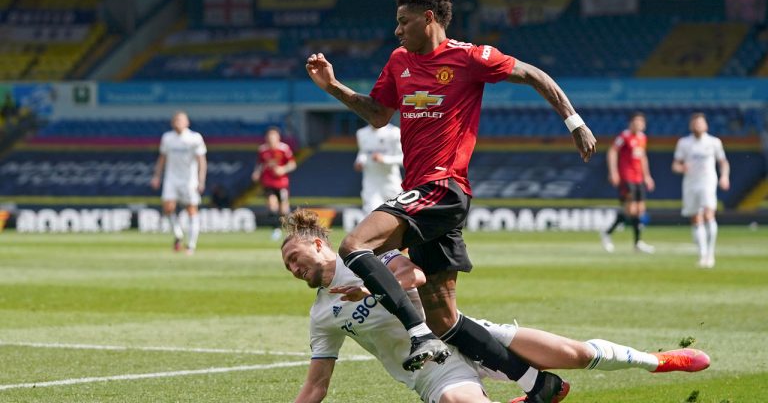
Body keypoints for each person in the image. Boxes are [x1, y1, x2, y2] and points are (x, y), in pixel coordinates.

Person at [305, 0, 596, 402]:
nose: (397, 30)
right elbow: (378, 114)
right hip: (422, 194)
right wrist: (333, 87)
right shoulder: (399, 60)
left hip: (442, 186)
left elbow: (534, 74)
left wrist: (575, 122)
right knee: (445, 318)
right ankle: (539, 384)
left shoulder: (469, 57)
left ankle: (416, 334)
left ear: (429, 18)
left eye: (404, 22)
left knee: (353, 244)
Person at [281, 209, 711, 403]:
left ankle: (658, 360)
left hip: (464, 333)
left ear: (319, 245)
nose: (293, 269)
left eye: (294, 259)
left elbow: (415, 275)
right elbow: (317, 386)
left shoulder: (366, 259)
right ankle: (536, 393)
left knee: (578, 354)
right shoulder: (322, 316)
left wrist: (370, 291)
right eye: (287, 267)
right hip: (432, 373)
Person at [672, 112, 730, 268]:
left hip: (708, 181)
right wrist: (681, 168)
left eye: (700, 123)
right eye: (695, 123)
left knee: (708, 213)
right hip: (690, 183)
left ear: (706, 125)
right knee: (695, 218)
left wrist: (724, 177)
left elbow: (723, 162)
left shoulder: (714, 142)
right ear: (691, 126)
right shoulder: (684, 143)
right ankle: (702, 255)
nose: (698, 126)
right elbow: (675, 165)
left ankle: (710, 254)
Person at [150, 111, 207, 254]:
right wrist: (157, 176)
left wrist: (201, 180)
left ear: (187, 123)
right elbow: (162, 158)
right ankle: (178, 234)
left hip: (189, 180)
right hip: (171, 179)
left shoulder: (194, 138)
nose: (178, 122)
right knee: (168, 208)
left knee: (191, 210)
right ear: (172, 123)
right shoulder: (167, 138)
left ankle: (191, 245)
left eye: (181, 120)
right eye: (176, 120)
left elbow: (201, 160)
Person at [601, 112, 655, 254]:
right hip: (627, 177)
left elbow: (643, 157)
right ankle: (611, 235)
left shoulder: (642, 138)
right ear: (631, 123)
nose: (638, 124)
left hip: (639, 178)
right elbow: (612, 152)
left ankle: (633, 241)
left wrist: (647, 176)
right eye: (636, 122)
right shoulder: (624, 136)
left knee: (639, 210)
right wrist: (613, 172)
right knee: (631, 209)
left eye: (641, 122)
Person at [251, 127, 296, 241]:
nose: (271, 139)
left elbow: (292, 164)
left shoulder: (284, 149)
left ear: (278, 137)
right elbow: (260, 164)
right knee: (272, 205)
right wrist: (256, 173)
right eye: (269, 137)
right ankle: (276, 229)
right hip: (268, 182)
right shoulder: (262, 150)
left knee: (284, 209)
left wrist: (282, 169)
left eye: (273, 137)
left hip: (281, 183)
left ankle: (290, 228)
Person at [354, 123, 404, 214]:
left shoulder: (394, 132)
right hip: (370, 184)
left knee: (396, 215)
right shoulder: (361, 133)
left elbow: (403, 159)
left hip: (391, 183)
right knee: (371, 214)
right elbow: (363, 153)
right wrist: (359, 162)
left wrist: (384, 159)